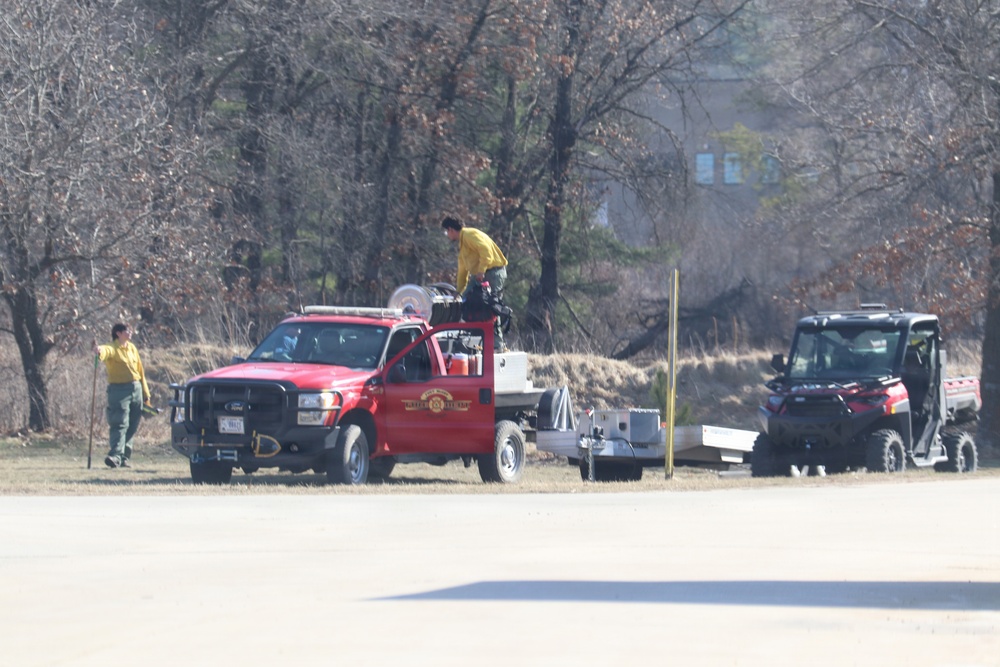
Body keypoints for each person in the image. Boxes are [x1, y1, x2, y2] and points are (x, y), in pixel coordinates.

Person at [442, 216, 509, 349]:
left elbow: (486, 251)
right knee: (467, 303)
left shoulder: (469, 234)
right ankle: (472, 342)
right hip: (480, 275)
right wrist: (459, 291)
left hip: (493, 272)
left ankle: (497, 345)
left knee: (491, 307)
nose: (447, 235)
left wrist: (481, 271)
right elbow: (463, 273)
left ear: (450, 229)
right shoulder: (463, 248)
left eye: (446, 232)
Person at [92, 323, 152, 469]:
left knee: (132, 424)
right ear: (118, 333)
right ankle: (115, 455)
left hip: (136, 388)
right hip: (119, 391)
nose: (130, 332)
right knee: (119, 422)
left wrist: (146, 394)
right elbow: (105, 351)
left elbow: (140, 371)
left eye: (130, 330)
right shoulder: (112, 347)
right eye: (127, 330)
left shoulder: (132, 348)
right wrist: (98, 350)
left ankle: (124, 457)